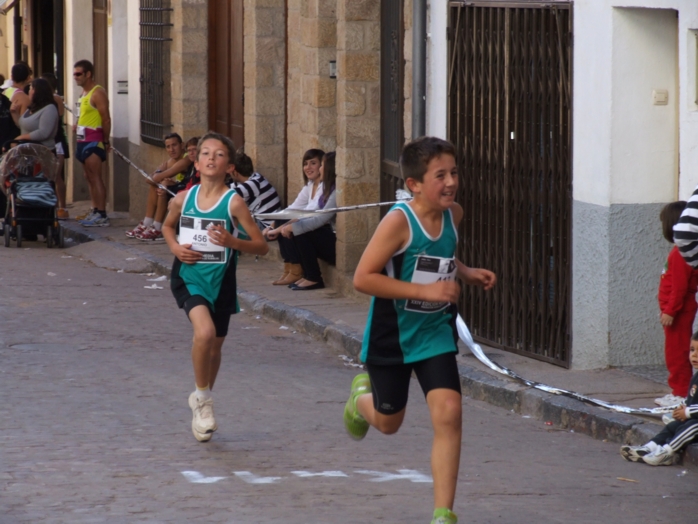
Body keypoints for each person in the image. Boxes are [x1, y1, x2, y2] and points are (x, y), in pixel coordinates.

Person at [345, 137, 496, 524]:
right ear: (414, 184)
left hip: (434, 331)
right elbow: (363, 278)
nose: (451, 182)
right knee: (388, 423)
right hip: (392, 336)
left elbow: (441, 256)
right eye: (440, 176)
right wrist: (424, 291)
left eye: (454, 173)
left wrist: (466, 273)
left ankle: (443, 514)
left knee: (450, 413)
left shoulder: (453, 214)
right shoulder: (398, 222)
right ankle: (361, 401)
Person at [162, 132, 268, 442]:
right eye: (205, 153)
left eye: (219, 154)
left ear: (230, 166)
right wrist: (175, 248)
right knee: (205, 333)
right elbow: (167, 226)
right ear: (196, 162)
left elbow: (261, 246)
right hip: (189, 276)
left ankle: (201, 398)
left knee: (216, 346)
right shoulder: (183, 198)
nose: (211, 157)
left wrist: (233, 242)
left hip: (221, 281)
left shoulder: (234, 203)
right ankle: (204, 401)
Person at [621, 333, 698, 466]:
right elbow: (691, 399)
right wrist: (681, 408)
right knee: (673, 426)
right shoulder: (695, 377)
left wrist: (687, 412)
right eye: (692, 350)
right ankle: (649, 447)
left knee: (692, 426)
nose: (694, 355)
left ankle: (666, 452)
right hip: (693, 417)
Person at [266, 151, 336, 290]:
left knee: (301, 229)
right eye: (305, 164)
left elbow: (318, 217)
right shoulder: (314, 186)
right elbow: (294, 209)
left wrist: (283, 228)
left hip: (335, 243)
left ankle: (311, 277)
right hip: (323, 232)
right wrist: (273, 225)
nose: (319, 168)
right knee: (287, 221)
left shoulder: (334, 190)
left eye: (320, 165)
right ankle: (293, 268)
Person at [654, 201, 698, 407]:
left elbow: (680, 288)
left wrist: (670, 311)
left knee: (677, 353)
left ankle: (681, 393)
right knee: (675, 351)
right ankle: (680, 390)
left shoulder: (681, 254)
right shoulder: (680, 251)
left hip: (678, 312)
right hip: (675, 311)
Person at [125, 132, 191, 241]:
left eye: (174, 145)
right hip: (181, 189)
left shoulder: (186, 159)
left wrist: (161, 175)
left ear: (182, 145)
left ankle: (157, 227)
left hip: (189, 191)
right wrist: (162, 176)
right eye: (168, 147)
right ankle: (147, 222)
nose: (171, 149)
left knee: (162, 186)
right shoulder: (172, 161)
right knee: (157, 186)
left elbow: (155, 177)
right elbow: (149, 180)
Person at [73, 59, 111, 227]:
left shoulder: (98, 92)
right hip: (82, 140)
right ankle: (94, 209)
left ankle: (102, 214)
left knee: (95, 176)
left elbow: (106, 118)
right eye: (74, 74)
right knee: (88, 176)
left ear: (88, 74)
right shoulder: (83, 93)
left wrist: (106, 140)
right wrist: (77, 124)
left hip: (94, 141)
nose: (75, 77)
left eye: (78, 74)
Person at [42, 72, 71, 219]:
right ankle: (50, 206)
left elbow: (58, 117)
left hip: (57, 140)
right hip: (46, 140)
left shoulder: (56, 99)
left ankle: (62, 207)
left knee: (57, 175)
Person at [229, 150, 281, 230]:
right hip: (262, 222)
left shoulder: (254, 184)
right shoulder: (255, 177)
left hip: (267, 226)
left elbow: (225, 194)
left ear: (235, 173)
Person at [13, 78, 58, 149]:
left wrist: (21, 137)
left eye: (31, 89)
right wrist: (14, 112)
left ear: (38, 91)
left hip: (43, 151)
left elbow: (43, 133)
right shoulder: (31, 108)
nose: (29, 91)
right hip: (27, 150)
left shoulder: (49, 108)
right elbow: (23, 125)